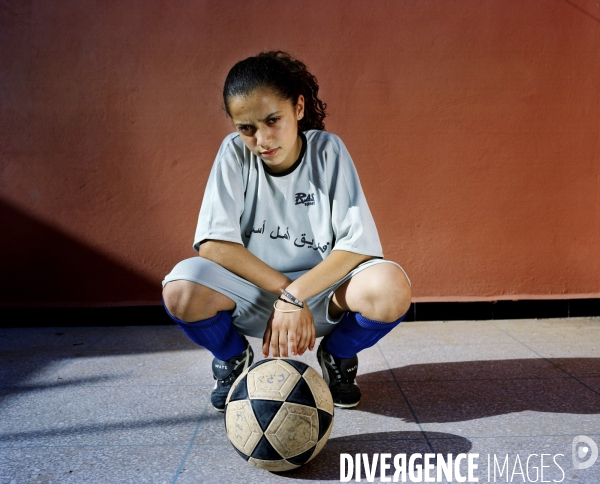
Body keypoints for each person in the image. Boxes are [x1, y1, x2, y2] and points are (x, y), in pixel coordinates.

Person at [162, 51, 411, 411]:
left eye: (272, 120)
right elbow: (214, 245)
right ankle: (232, 359)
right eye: (246, 128)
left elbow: (357, 246)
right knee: (181, 289)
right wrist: (286, 294)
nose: (261, 139)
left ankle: (337, 356)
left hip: (322, 296)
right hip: (258, 295)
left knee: (390, 286)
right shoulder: (234, 154)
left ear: (298, 108)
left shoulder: (328, 151)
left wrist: (298, 296)